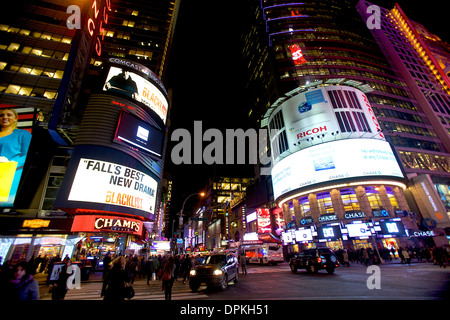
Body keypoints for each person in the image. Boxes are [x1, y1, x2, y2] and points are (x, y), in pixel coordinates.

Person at [0, 108, 32, 205]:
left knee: (4, 204)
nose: (5, 117)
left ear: (15, 118)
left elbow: (27, 155)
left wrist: (10, 163)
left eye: (9, 115)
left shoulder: (23, 134)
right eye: (1, 115)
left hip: (11, 172)